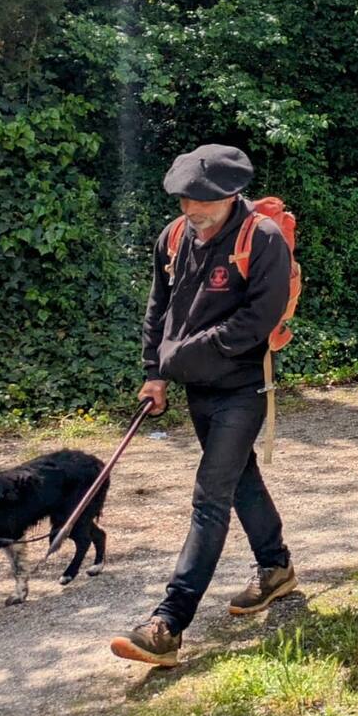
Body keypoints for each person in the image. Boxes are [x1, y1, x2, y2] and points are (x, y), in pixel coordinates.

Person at [110, 144, 296, 667]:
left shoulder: (260, 239)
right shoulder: (173, 239)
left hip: (243, 388)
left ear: (231, 195)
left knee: (210, 496)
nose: (192, 210)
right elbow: (158, 308)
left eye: (203, 202)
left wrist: (186, 356)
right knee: (240, 479)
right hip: (196, 388)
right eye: (185, 199)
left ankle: (168, 622)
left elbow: (260, 318)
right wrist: (155, 372)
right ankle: (276, 567)